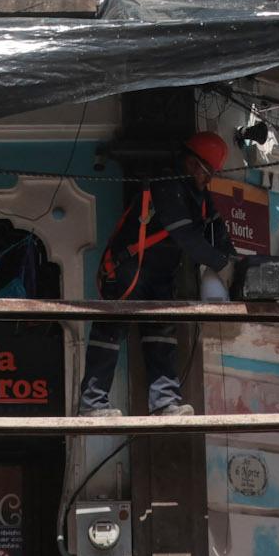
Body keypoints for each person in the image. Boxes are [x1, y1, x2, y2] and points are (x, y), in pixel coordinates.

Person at [81, 132, 238, 417]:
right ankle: (92, 405)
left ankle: (165, 403)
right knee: (110, 331)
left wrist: (233, 262)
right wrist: (220, 263)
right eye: (207, 172)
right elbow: (186, 236)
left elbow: (218, 233)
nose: (208, 179)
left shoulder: (201, 198)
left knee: (162, 335)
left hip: (161, 274)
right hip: (130, 268)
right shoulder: (167, 184)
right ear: (192, 163)